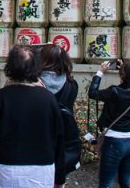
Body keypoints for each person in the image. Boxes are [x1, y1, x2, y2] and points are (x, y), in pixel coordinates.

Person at [0, 45, 65, 188]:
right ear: (36, 67)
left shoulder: (0, 97)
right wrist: (59, 177)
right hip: (41, 168)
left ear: (10, 67)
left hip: (5, 168)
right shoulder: (48, 98)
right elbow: (58, 138)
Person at [88, 59, 130, 188]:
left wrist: (100, 73)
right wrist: (125, 70)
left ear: (122, 75)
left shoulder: (114, 91)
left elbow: (92, 93)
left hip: (113, 142)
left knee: (106, 183)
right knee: (127, 183)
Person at [39, 44, 81, 182]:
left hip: (40, 134)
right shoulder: (71, 84)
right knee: (58, 177)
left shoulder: (35, 84)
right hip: (63, 135)